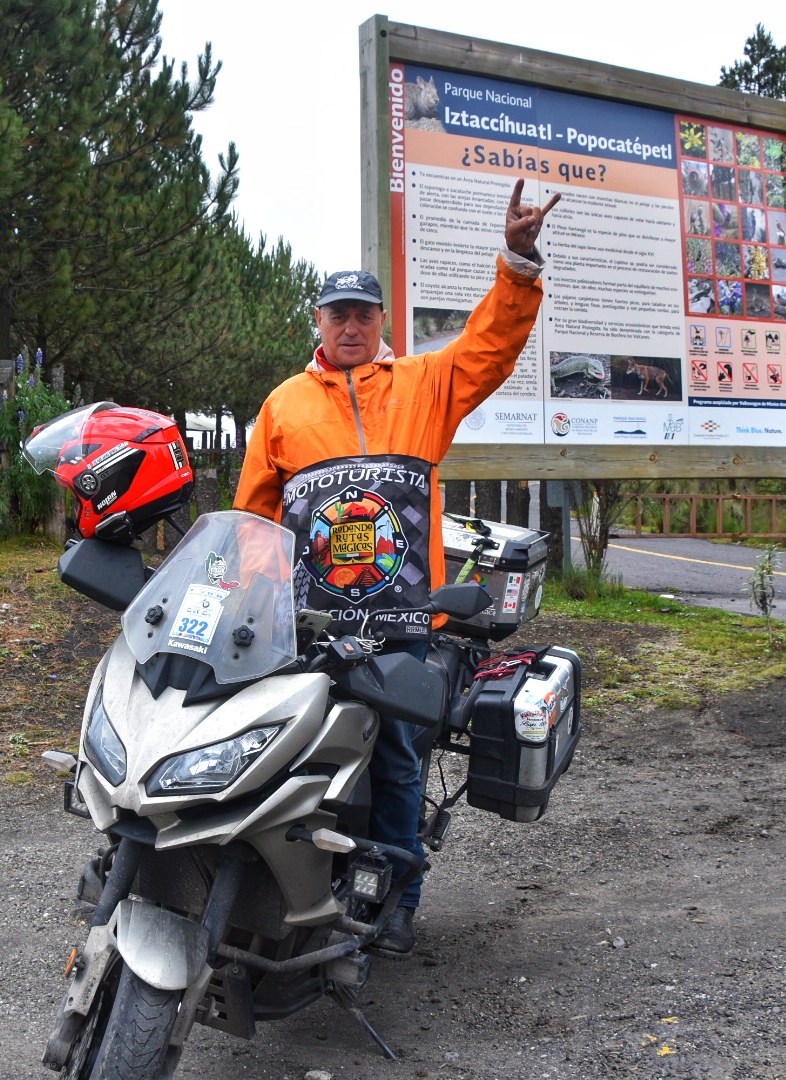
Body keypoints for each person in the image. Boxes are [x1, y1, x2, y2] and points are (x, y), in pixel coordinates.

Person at [234, 179, 559, 956]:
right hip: (308, 623)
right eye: (337, 313)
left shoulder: (425, 385)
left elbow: (492, 346)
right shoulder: (283, 406)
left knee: (399, 758)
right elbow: (252, 516)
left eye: (363, 313)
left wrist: (515, 264)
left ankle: (397, 896)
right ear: (317, 321)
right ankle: (284, 892)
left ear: (382, 322)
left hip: (404, 620)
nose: (350, 325)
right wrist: (244, 601)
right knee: (281, 748)